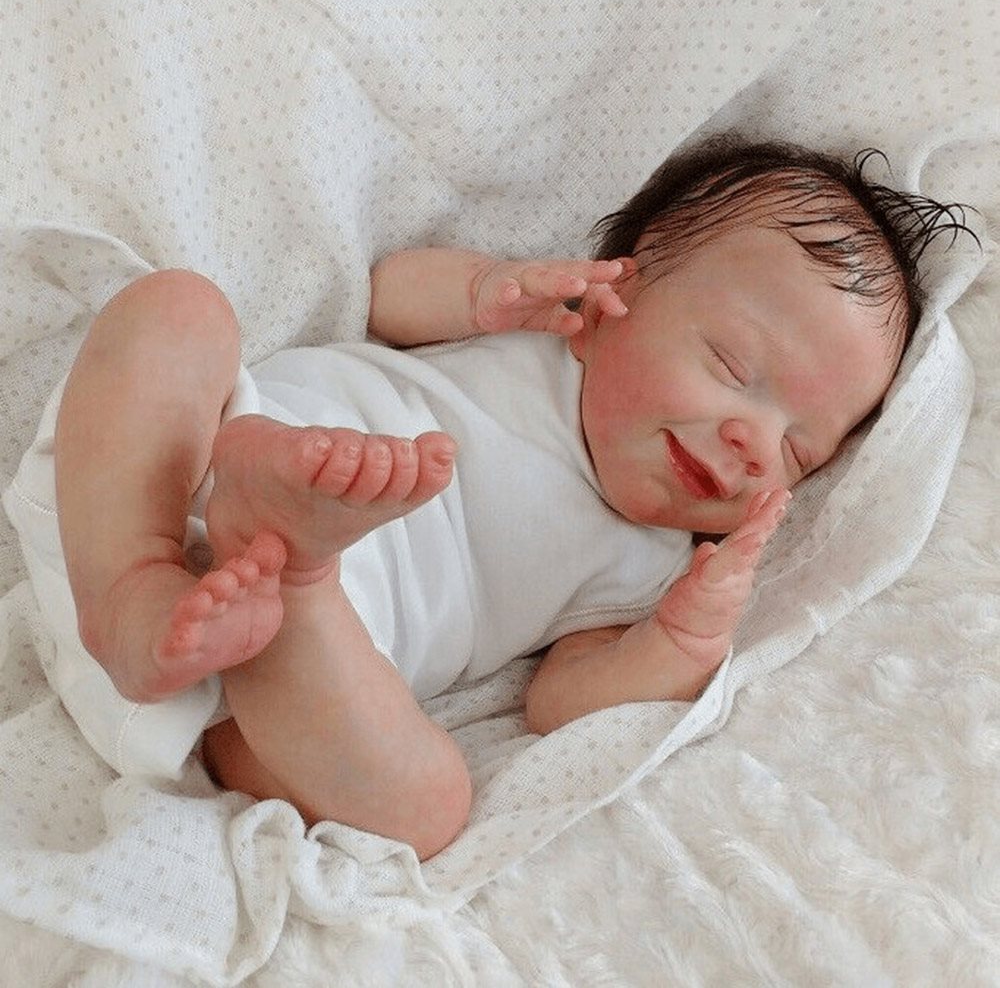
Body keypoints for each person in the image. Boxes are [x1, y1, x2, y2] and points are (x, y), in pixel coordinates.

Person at [25, 137, 972, 860]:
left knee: (431, 808)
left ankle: (293, 569)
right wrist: (480, 288)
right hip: (182, 469)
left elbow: (562, 702)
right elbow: (384, 294)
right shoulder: (537, 323)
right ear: (615, 299)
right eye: (731, 365)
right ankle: (131, 578)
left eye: (799, 450)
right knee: (180, 308)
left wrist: (683, 642)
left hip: (262, 675)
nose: (752, 445)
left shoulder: (650, 568)